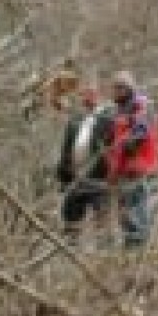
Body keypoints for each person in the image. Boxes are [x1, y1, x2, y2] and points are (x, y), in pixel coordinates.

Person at [106, 71, 158, 248]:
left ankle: (139, 249)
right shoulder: (120, 110)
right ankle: (131, 247)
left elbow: (140, 133)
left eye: (119, 88)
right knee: (126, 213)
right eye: (114, 88)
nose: (115, 92)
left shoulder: (141, 105)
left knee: (138, 212)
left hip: (138, 167)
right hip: (124, 169)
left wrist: (124, 146)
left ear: (128, 88)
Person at [55, 88, 114, 239]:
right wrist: (63, 177)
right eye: (84, 94)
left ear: (99, 96)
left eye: (91, 94)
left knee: (102, 223)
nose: (87, 98)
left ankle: (103, 257)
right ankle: (69, 253)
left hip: (100, 180)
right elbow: (66, 149)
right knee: (70, 220)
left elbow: (115, 149)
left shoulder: (109, 119)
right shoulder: (75, 120)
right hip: (76, 179)